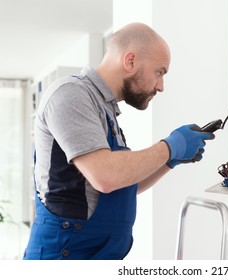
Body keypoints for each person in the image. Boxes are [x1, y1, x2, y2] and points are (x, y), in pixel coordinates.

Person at [23, 22, 215, 260]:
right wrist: (169, 147)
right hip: (62, 257)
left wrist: (171, 160)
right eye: (159, 72)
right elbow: (106, 176)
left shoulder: (105, 110)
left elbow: (123, 184)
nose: (161, 86)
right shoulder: (70, 94)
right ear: (130, 61)